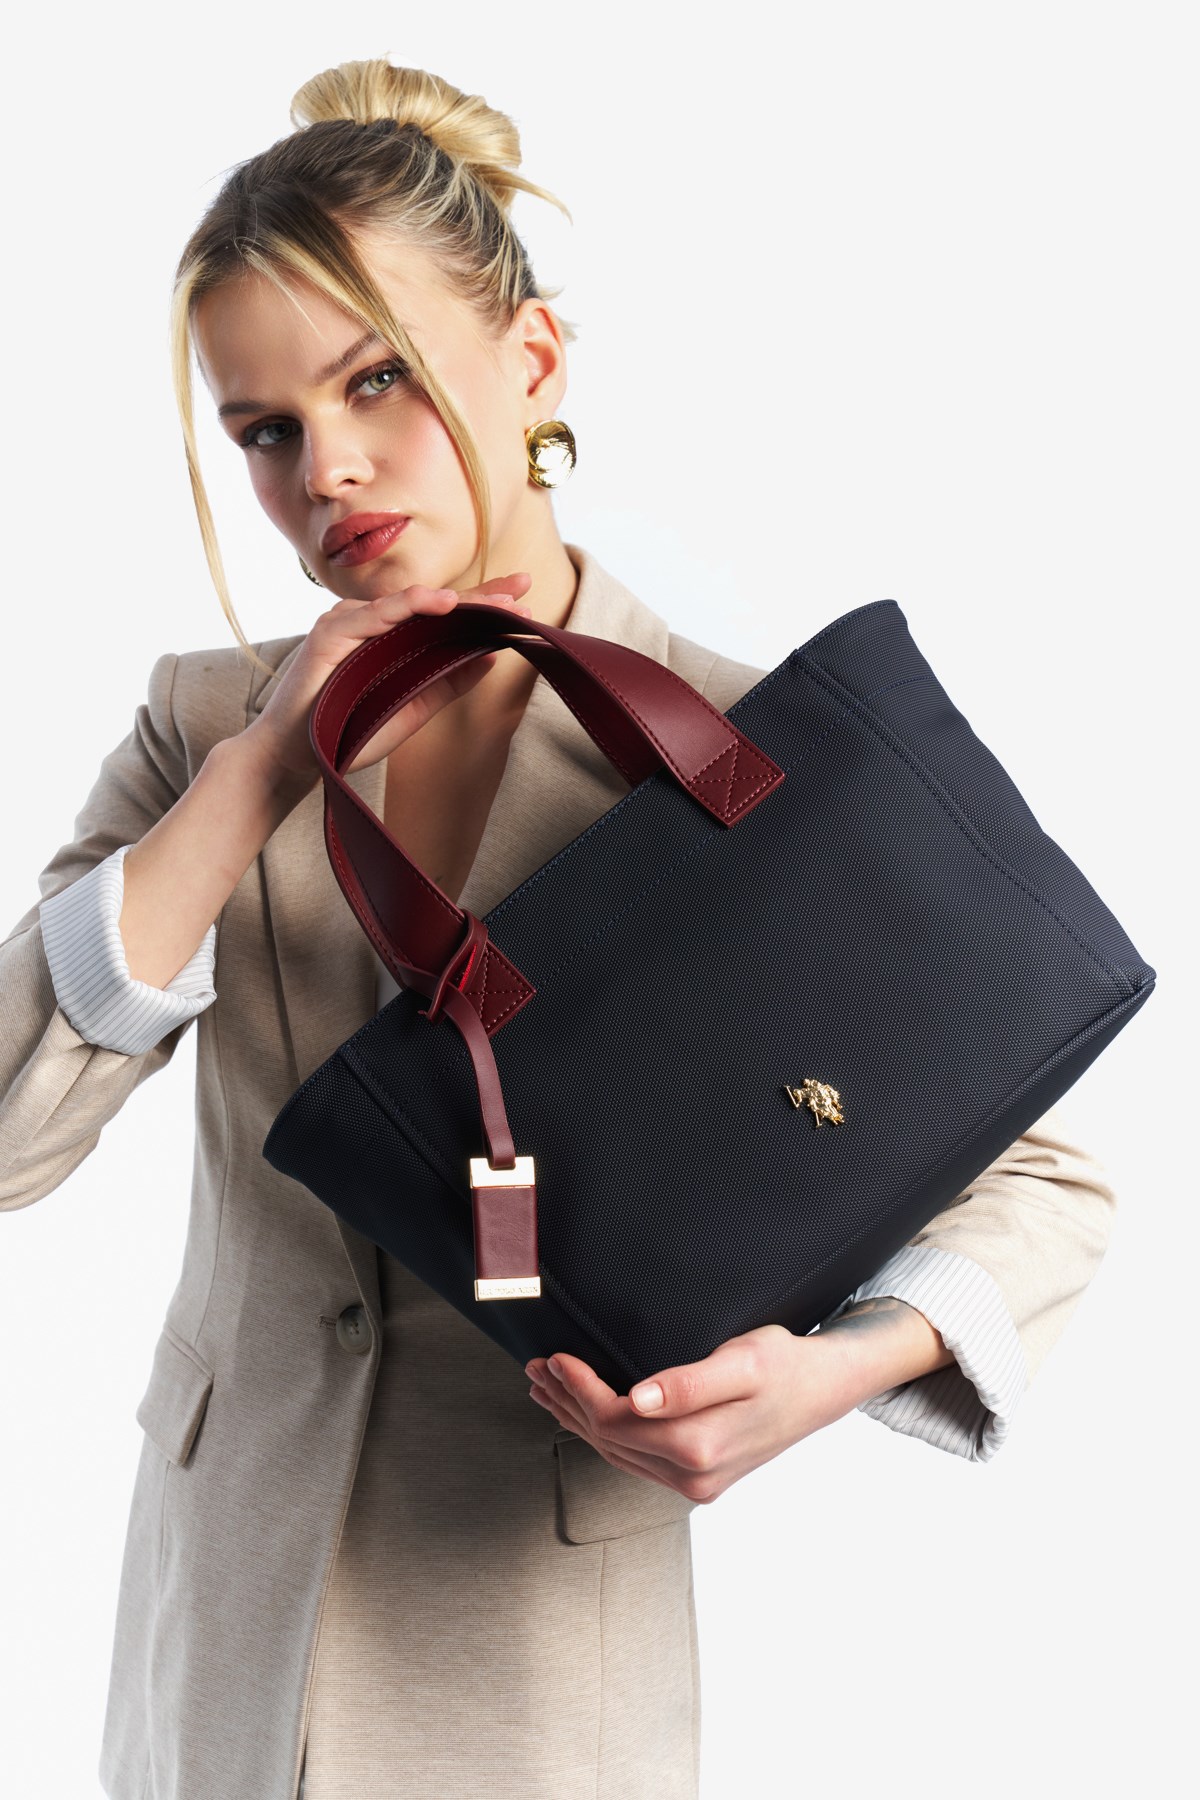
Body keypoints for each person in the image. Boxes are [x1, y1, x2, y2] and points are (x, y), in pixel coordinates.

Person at [0, 56, 1118, 1800]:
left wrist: (829, 1374)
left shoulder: (749, 753)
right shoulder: (200, 724)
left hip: (528, 1655)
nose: (328, 468)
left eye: (378, 378)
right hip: (218, 1628)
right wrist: (259, 770)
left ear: (530, 363)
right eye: (266, 430)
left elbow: (1043, 1178)